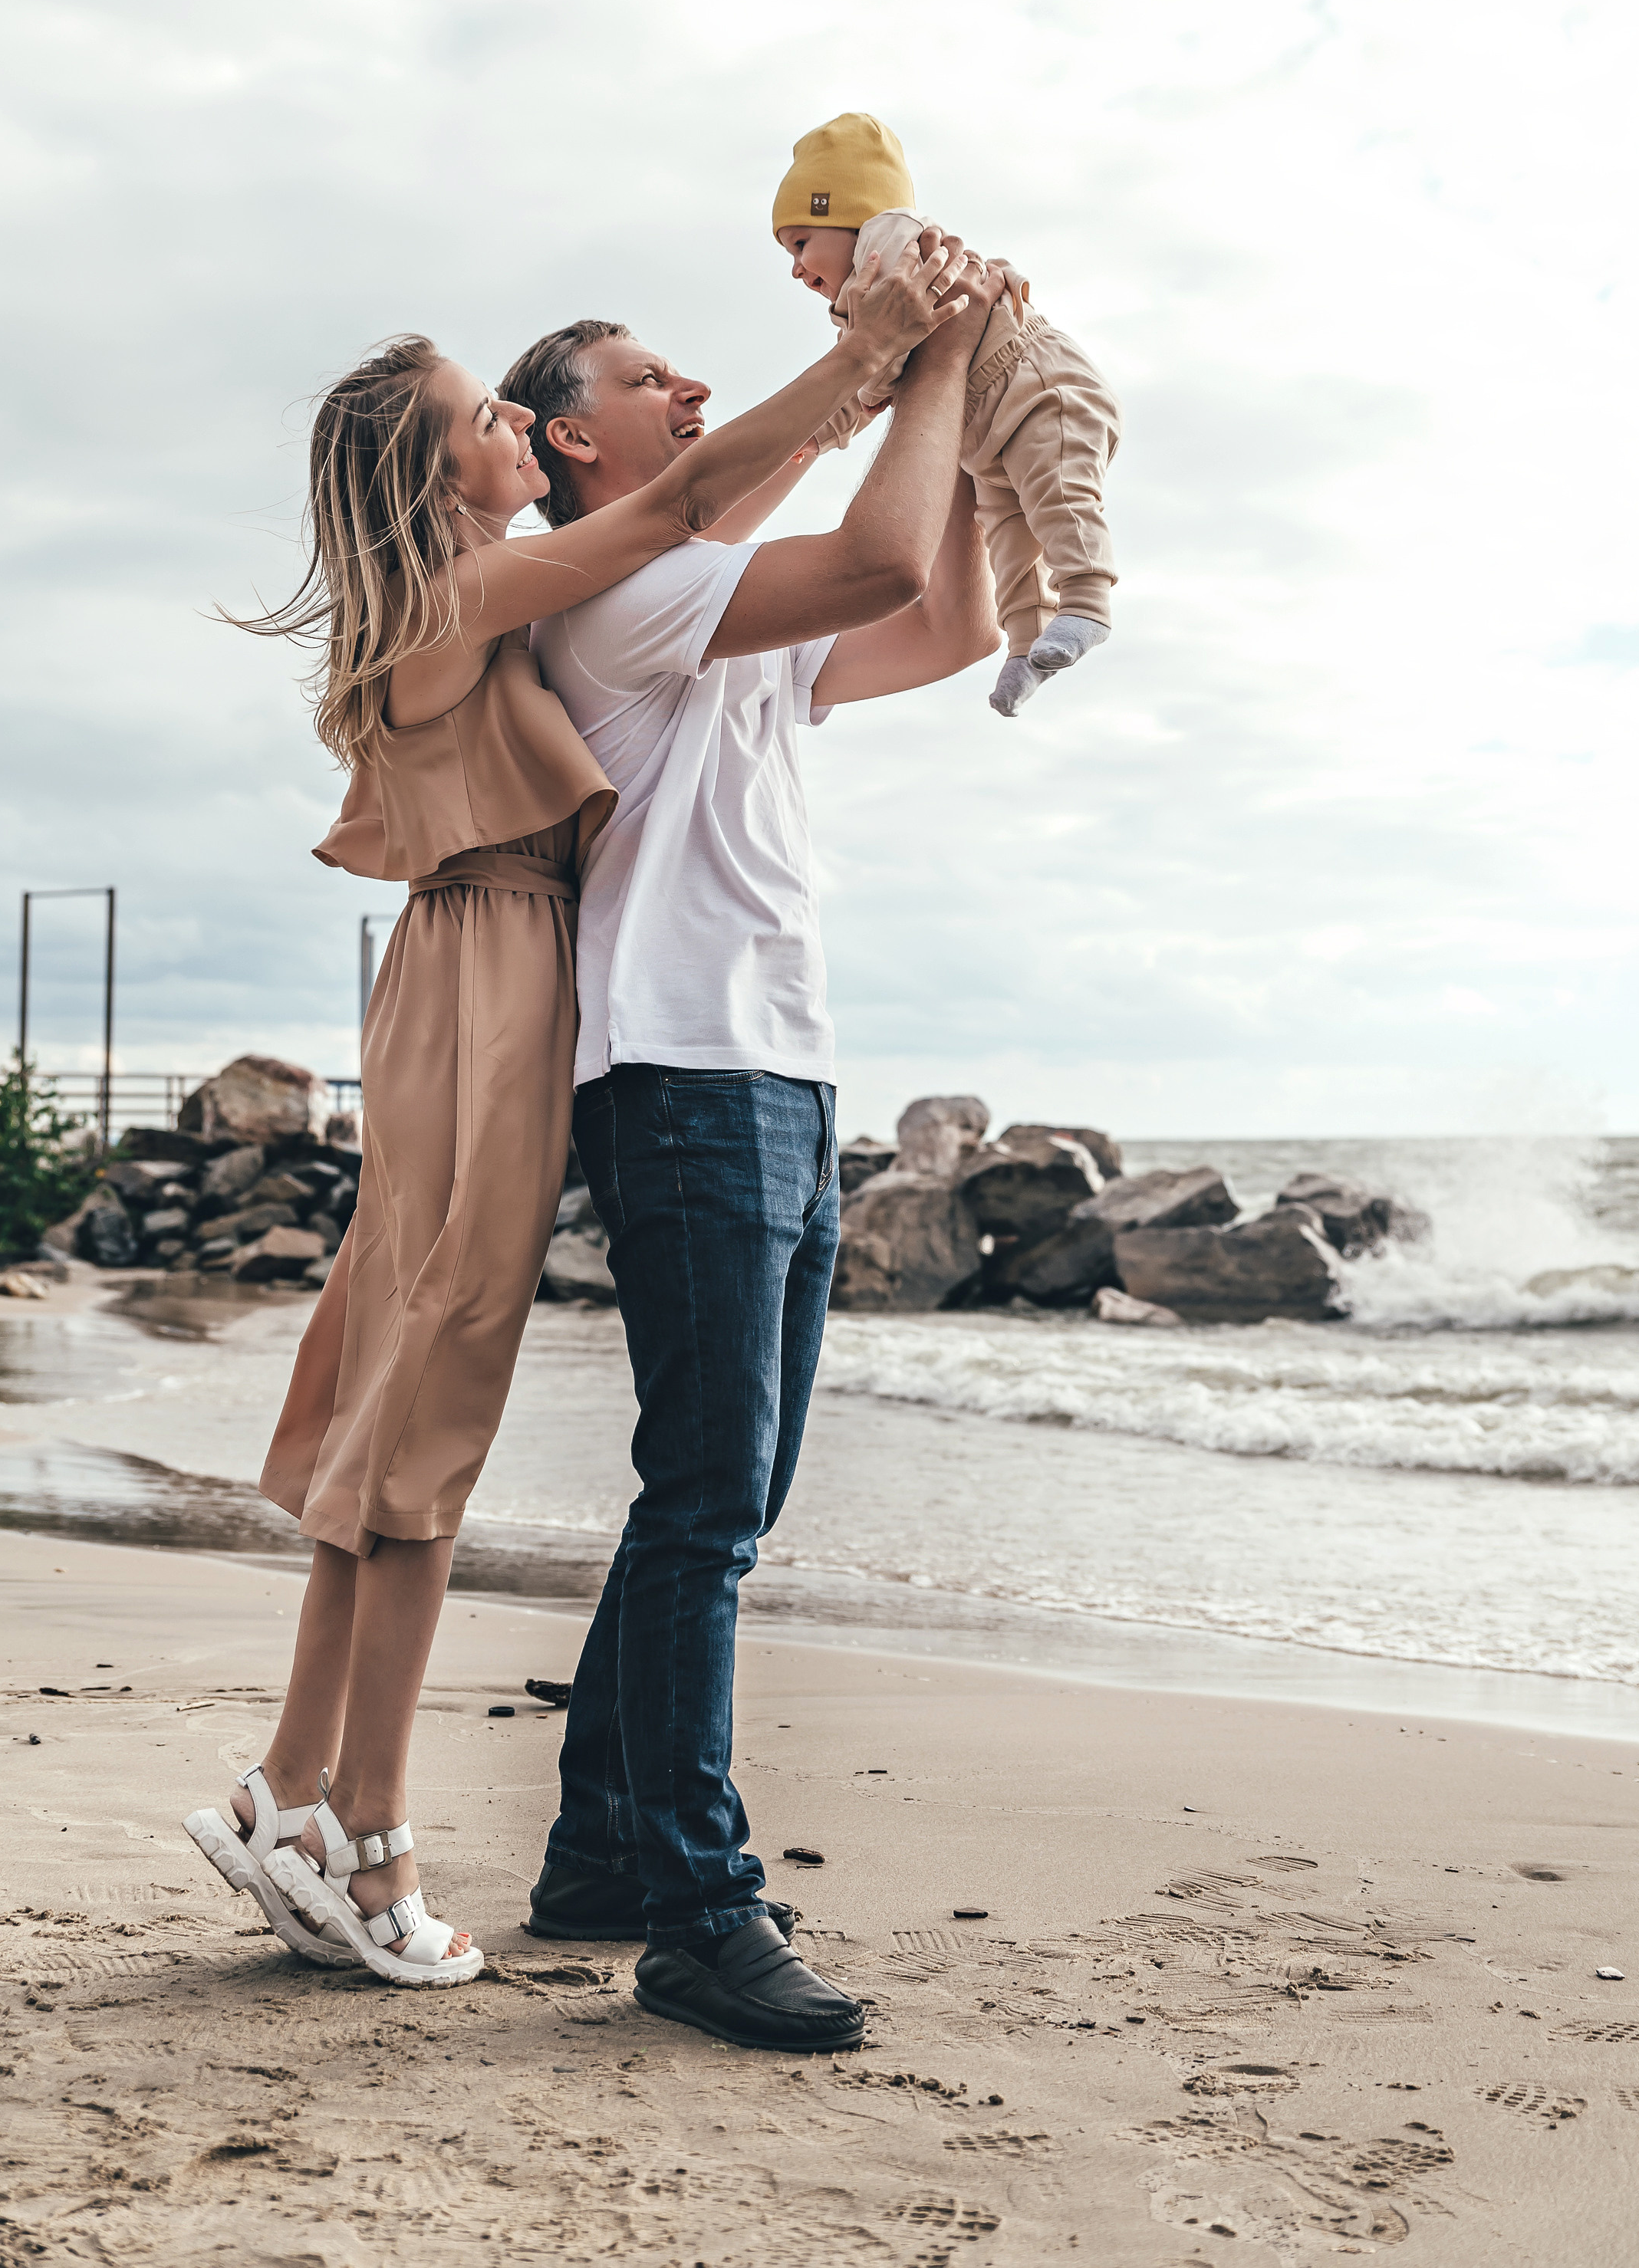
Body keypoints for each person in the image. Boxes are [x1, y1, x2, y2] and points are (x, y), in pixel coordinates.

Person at [182, 248, 959, 1988]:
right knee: (435, 1387)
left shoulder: (501, 594)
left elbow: (689, 511)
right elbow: (678, 504)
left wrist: (873, 383)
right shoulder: (470, 592)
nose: (517, 427)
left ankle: (296, 1785)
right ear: (436, 470)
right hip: (488, 981)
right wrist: (873, 351)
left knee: (407, 1380)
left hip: (488, 974)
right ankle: (368, 1834)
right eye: (485, 415)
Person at [499, 266, 999, 2051]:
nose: (691, 385)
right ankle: (701, 1913)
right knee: (709, 1500)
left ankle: (598, 1853)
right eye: (647, 375)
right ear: (573, 438)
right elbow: (873, 559)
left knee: (718, 1498)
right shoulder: (616, 589)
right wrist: (922, 354)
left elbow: (944, 617)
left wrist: (979, 399)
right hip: (679, 1075)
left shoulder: (716, 604)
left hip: (778, 1075)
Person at [773, 110, 1122, 721]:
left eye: (802, 243)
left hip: (1037, 387)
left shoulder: (895, 242)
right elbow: (859, 383)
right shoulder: (865, 304)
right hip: (982, 428)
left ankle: (1088, 600)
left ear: (850, 216)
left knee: (1058, 494)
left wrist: (857, 386)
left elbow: (873, 370)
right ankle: (1027, 645)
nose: (797, 268)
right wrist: (818, 434)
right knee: (1008, 533)